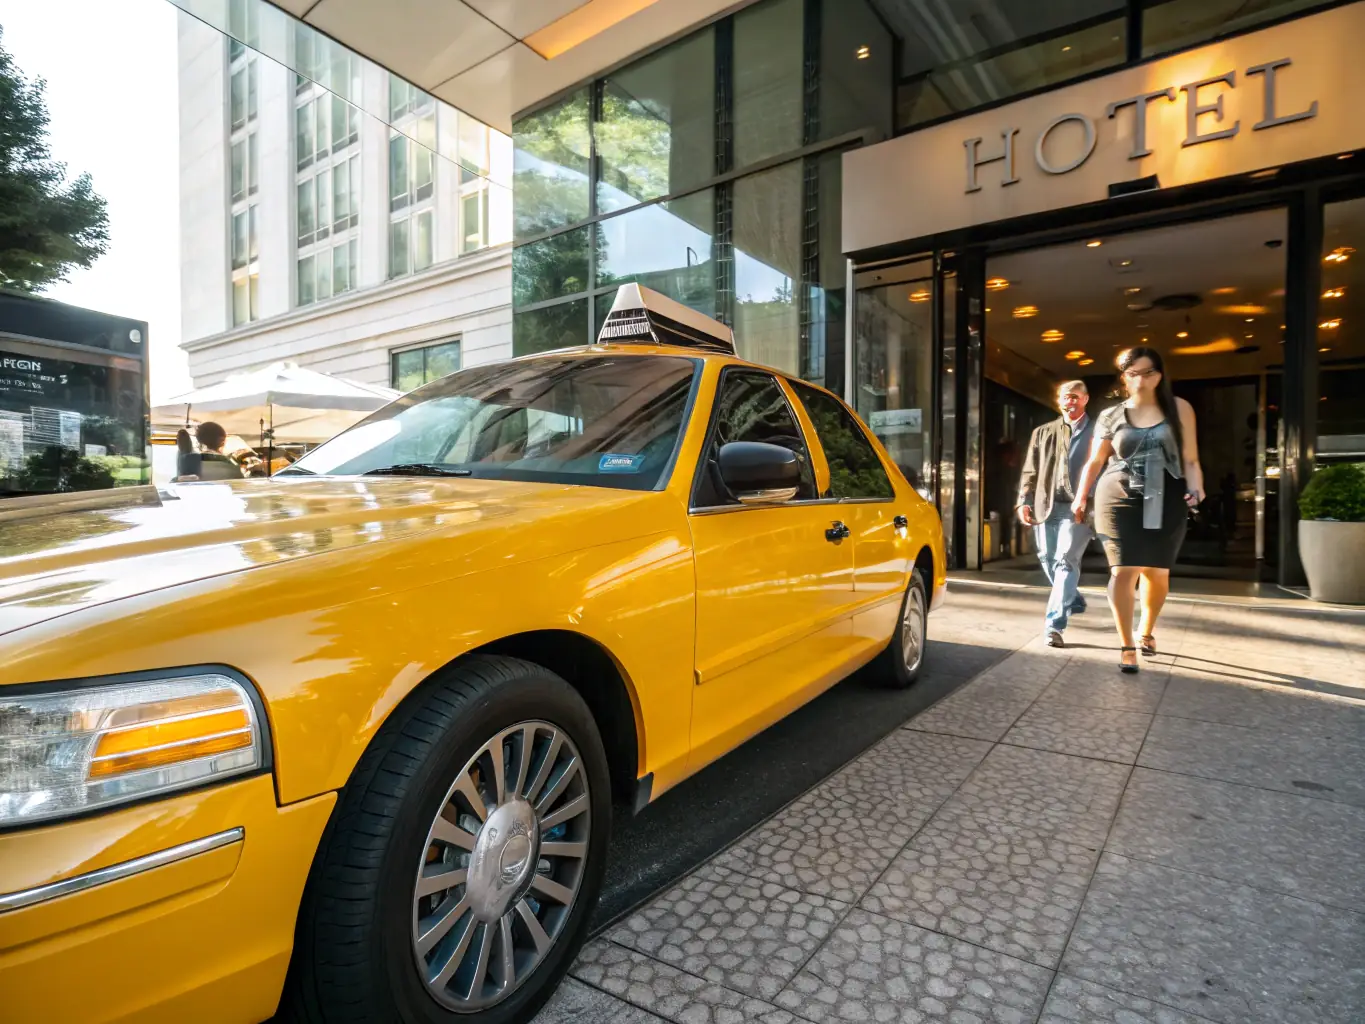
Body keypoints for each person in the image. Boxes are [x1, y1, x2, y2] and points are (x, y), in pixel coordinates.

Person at [1072, 348, 1204, 673]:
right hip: (1117, 494)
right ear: (1123, 377)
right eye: (1133, 373)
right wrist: (1080, 496)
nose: (1141, 379)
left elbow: (1191, 458)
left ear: (1160, 375)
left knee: (1156, 573)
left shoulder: (1180, 409)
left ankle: (1146, 630)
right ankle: (1126, 644)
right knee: (1122, 570)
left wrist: (1197, 486)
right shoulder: (1111, 415)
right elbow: (1096, 461)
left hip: (1167, 494)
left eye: (1148, 372)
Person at [1016, 380, 1095, 648]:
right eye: (1065, 397)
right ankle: (1073, 598)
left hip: (1079, 507)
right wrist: (1022, 501)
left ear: (1085, 399)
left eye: (1074, 397)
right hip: (1045, 505)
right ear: (1058, 401)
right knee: (1047, 558)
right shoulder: (1043, 432)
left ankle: (1054, 625)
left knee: (1065, 560)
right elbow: (1030, 470)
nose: (1069, 402)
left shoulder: (1099, 432)